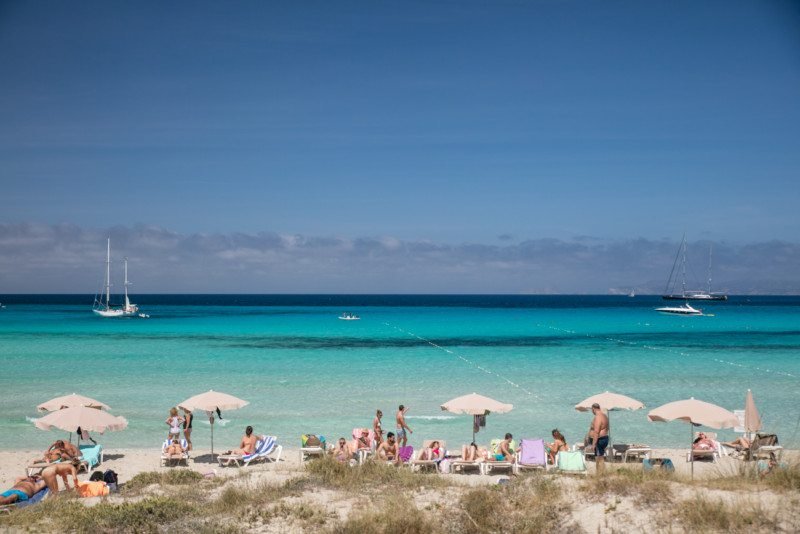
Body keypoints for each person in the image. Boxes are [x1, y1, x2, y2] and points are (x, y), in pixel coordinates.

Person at [590, 403, 609, 474]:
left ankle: (600, 474)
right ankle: (600, 473)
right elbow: (607, 428)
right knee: (600, 457)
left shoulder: (598, 417)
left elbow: (596, 431)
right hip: (604, 438)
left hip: (599, 439)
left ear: (593, 409)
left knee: (599, 458)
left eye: (591, 410)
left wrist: (594, 444)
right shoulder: (604, 416)